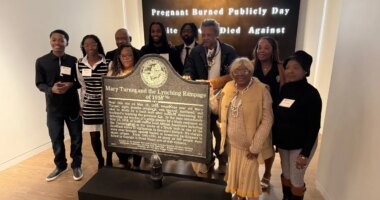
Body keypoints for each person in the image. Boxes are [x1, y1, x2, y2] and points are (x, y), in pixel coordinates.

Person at [210, 57, 273, 200]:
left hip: (250, 148)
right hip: (233, 146)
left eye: (245, 70)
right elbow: (216, 108)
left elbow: (268, 120)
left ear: (251, 72)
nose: (241, 74)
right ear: (232, 73)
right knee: (237, 178)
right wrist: (208, 95)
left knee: (249, 181)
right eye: (237, 71)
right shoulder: (228, 86)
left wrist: (255, 147)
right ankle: (238, 195)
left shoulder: (261, 90)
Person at [183, 18, 237, 174]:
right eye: (203, 35)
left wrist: (215, 82)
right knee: (204, 133)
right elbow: (188, 69)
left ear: (217, 34)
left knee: (221, 131)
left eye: (209, 35)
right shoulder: (196, 51)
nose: (205, 38)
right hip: (202, 99)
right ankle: (207, 160)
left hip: (223, 99)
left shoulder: (229, 51)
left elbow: (234, 74)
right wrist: (187, 76)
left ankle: (222, 161)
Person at [273, 51, 322, 200]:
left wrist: (305, 153)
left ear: (305, 70)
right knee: (286, 175)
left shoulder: (312, 94)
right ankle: (286, 197)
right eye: (288, 68)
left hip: (301, 145)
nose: (290, 71)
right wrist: (276, 141)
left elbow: (314, 126)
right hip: (284, 143)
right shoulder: (285, 89)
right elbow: (278, 116)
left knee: (296, 179)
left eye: (296, 68)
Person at [35, 29, 83, 181]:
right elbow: (39, 84)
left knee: (76, 137)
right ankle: (60, 166)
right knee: (56, 138)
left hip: (72, 107)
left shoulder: (74, 60)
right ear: (50, 41)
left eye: (61, 40)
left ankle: (76, 165)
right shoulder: (41, 61)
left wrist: (70, 85)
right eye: (54, 40)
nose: (57, 43)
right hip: (53, 109)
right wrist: (51, 89)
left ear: (67, 43)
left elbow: (79, 83)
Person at [251, 36, 286, 190]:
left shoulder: (280, 67)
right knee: (255, 143)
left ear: (273, 51)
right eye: (259, 47)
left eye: (266, 48)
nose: (262, 51)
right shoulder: (251, 66)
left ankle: (267, 173)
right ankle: (252, 174)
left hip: (274, 112)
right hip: (255, 112)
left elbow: (284, 90)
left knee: (269, 145)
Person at [105, 28, 140, 167]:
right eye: (123, 56)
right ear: (119, 57)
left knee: (137, 143)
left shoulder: (140, 72)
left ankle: (137, 165)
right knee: (120, 143)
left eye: (129, 55)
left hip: (137, 116)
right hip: (119, 116)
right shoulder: (112, 73)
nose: (126, 58)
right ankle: (125, 162)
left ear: (134, 56)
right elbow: (106, 93)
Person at [76, 35, 109, 169]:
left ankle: (110, 160)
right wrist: (81, 105)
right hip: (89, 104)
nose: (90, 47)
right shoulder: (79, 64)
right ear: (83, 47)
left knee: (108, 135)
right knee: (94, 137)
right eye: (86, 45)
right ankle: (100, 160)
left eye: (93, 44)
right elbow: (83, 86)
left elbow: (109, 84)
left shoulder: (107, 62)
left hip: (105, 104)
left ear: (98, 45)